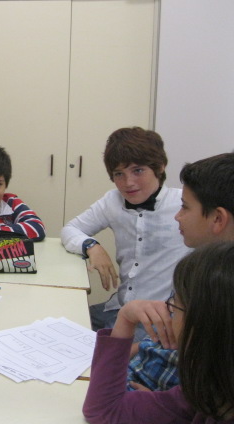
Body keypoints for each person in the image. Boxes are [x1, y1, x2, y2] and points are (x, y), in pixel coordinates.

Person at [83, 241, 234, 423]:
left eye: (175, 303)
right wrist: (126, 317)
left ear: (205, 323)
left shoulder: (203, 387)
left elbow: (102, 410)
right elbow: (105, 410)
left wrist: (125, 321)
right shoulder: (206, 389)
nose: (169, 311)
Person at [61, 127, 190, 339]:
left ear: (160, 167)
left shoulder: (184, 205)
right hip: (119, 307)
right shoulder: (112, 201)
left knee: (98, 355)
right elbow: (70, 229)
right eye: (119, 174)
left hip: (158, 319)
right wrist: (91, 246)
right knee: (62, 324)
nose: (128, 183)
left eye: (138, 171)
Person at [126, 152, 234, 392]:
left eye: (185, 207)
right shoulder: (198, 267)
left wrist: (162, 406)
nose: (178, 216)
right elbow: (160, 342)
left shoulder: (217, 290)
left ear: (218, 219)